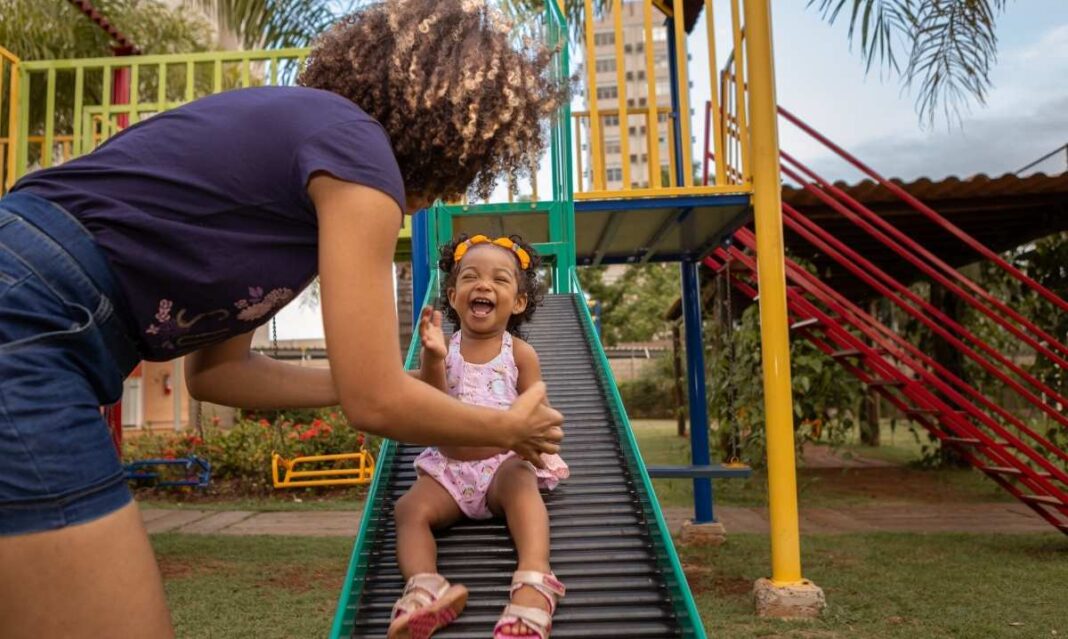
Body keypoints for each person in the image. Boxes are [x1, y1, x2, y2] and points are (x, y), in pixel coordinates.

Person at [0, 1, 568, 636]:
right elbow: (375, 406)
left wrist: (363, 380)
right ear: (450, 140)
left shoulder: (294, 177)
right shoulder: (359, 152)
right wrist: (507, 426)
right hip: (31, 313)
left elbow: (219, 375)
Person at [391, 235, 568, 639]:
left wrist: (536, 437)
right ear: (453, 296)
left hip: (500, 463)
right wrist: (433, 358)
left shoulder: (520, 353)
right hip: (449, 471)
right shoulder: (442, 348)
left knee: (522, 483)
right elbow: (432, 406)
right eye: (470, 277)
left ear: (518, 302)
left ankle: (534, 582)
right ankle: (425, 586)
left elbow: (535, 405)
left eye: (499, 279)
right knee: (408, 509)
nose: (483, 285)